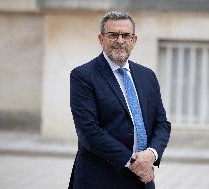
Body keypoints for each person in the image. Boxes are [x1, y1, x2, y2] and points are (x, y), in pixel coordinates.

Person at [69, 10, 171, 189]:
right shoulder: (83, 76)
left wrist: (152, 154)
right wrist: (134, 164)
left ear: (134, 40)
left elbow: (162, 124)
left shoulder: (147, 76)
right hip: (100, 179)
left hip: (143, 181)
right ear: (101, 39)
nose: (120, 41)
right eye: (113, 35)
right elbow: (88, 131)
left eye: (126, 35)